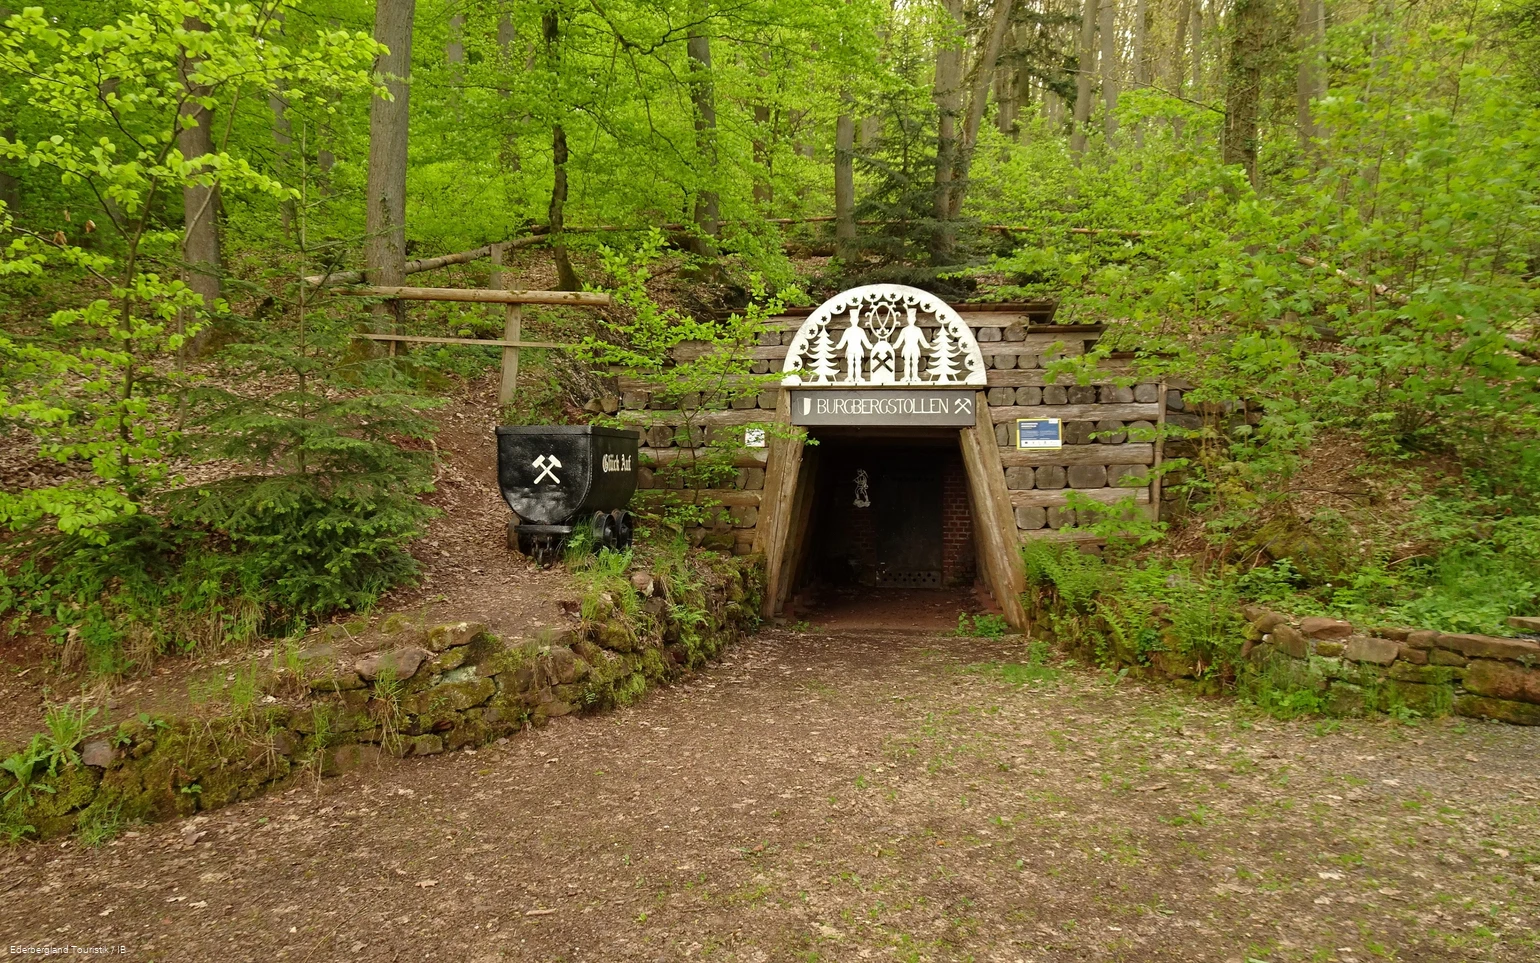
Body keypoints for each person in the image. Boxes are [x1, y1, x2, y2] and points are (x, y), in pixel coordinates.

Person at [894, 307, 932, 383]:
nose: (911, 320)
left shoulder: (918, 329)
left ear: (914, 319)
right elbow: (900, 339)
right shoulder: (904, 330)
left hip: (915, 347)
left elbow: (922, 339)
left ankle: (915, 376)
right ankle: (906, 377)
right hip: (907, 347)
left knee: (915, 362)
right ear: (908, 320)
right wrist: (896, 345)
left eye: (913, 319)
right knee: (906, 362)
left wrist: (926, 345)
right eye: (910, 319)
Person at [834, 307, 872, 383]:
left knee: (858, 363)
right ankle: (850, 377)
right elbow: (843, 341)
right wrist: (838, 346)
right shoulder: (848, 330)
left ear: (857, 320)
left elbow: (865, 341)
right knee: (850, 364)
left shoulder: (860, 330)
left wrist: (869, 346)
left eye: (856, 319)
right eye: (853, 319)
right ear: (851, 320)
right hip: (850, 349)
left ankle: (858, 377)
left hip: (858, 349)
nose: (854, 321)